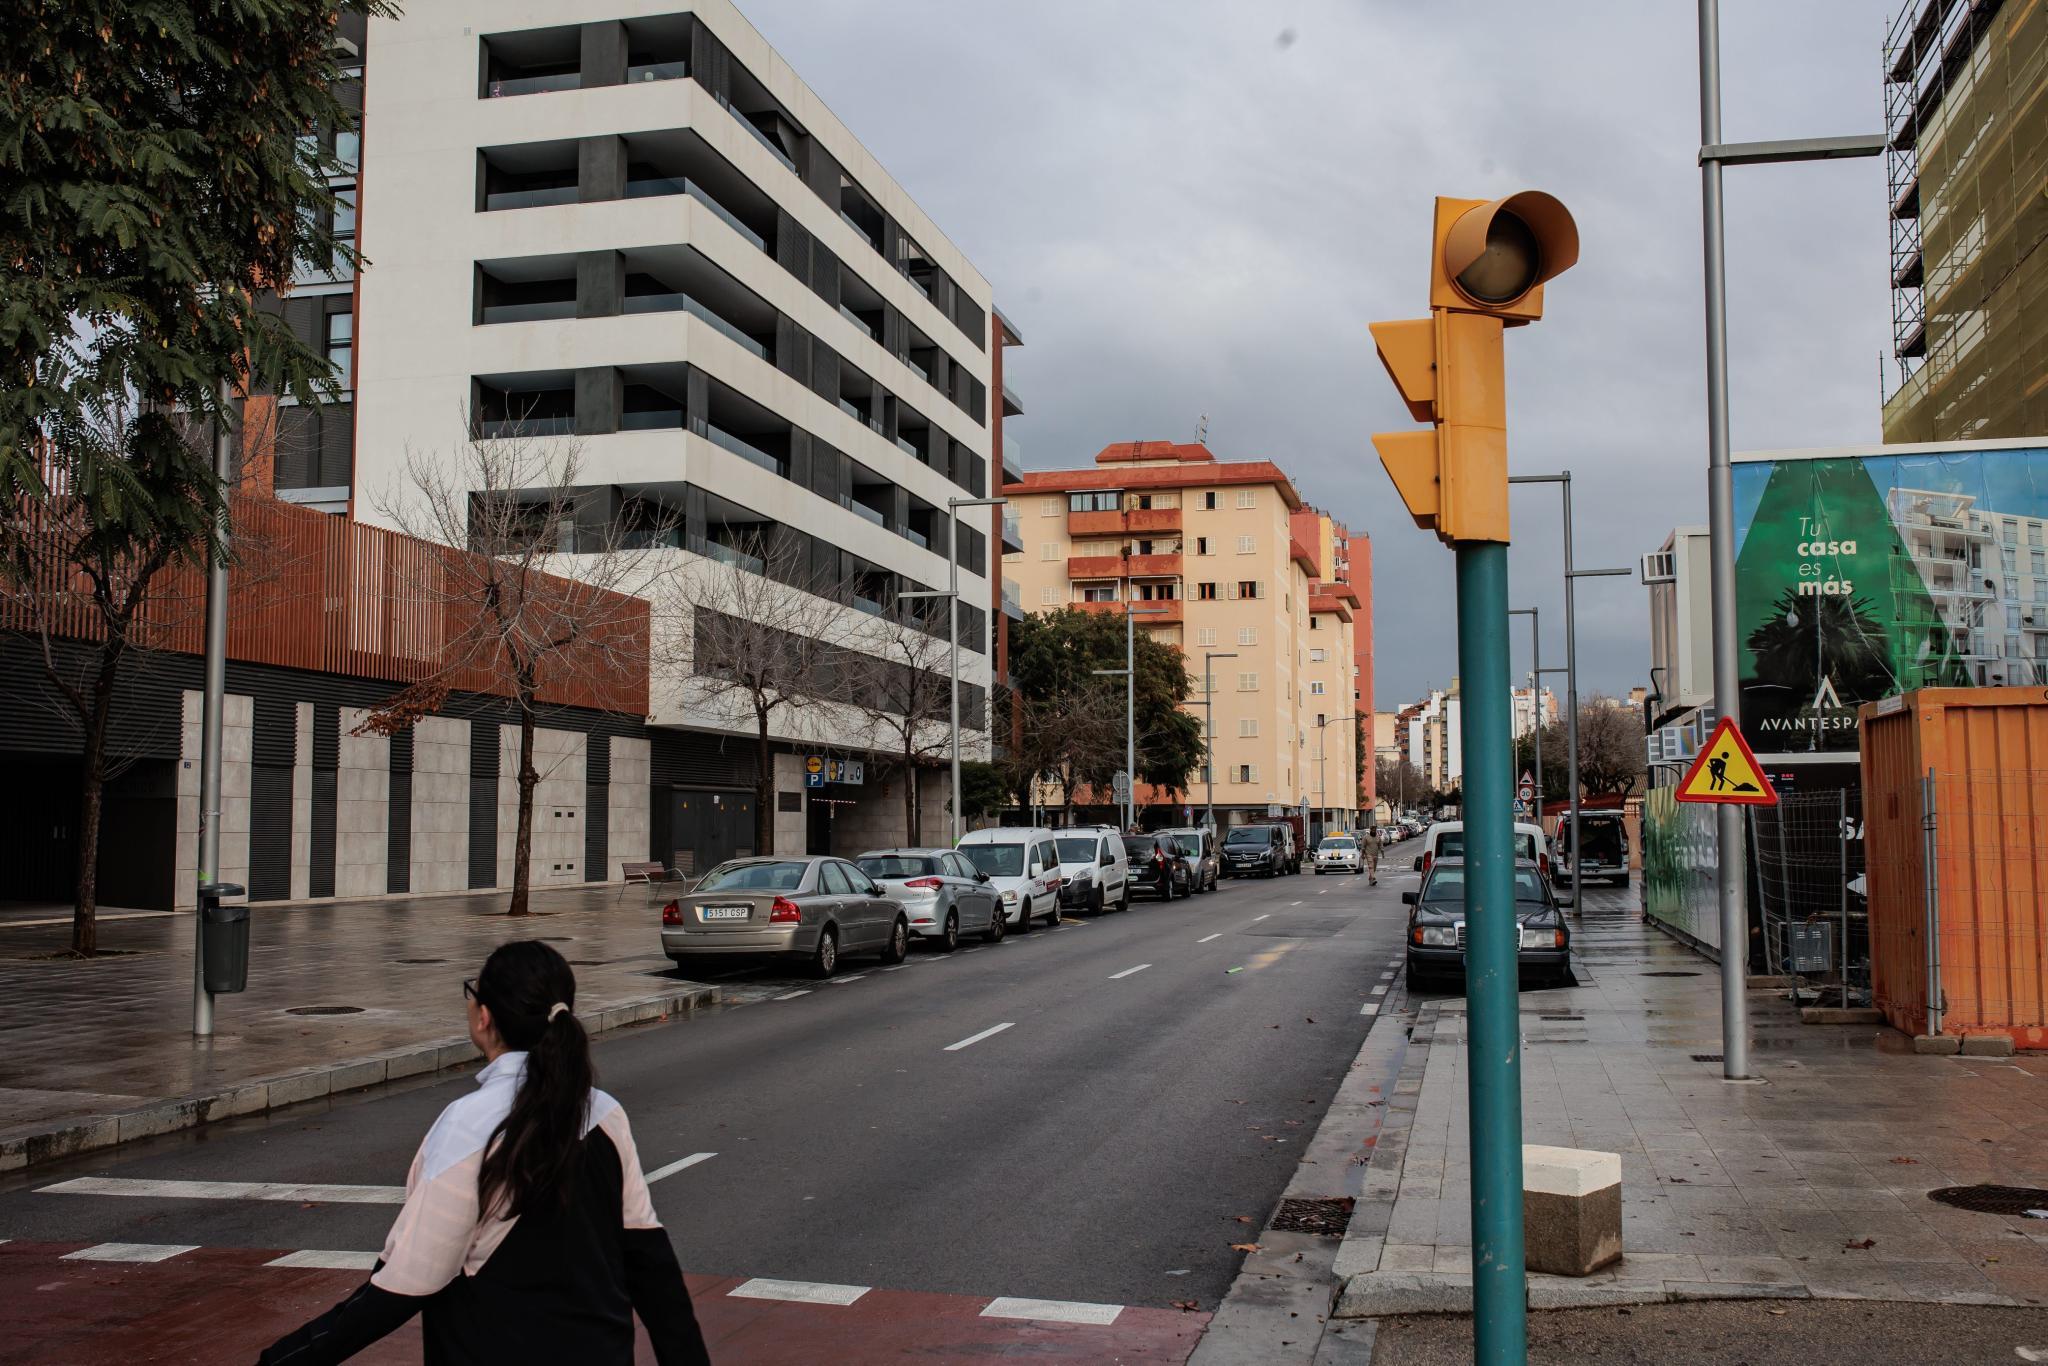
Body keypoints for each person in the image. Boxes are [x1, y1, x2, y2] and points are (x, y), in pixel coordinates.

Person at [258, 941, 710, 1365]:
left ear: (484, 1017)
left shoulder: (468, 1125)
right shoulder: (603, 1112)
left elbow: (403, 1285)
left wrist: (282, 1358)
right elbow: (651, 1265)